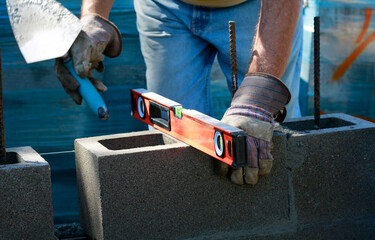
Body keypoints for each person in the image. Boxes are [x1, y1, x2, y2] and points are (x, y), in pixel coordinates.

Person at [54, 0, 303, 185]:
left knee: (267, 131)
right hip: (164, 8)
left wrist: (259, 97)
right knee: (173, 135)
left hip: (256, 6)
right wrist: (94, 16)